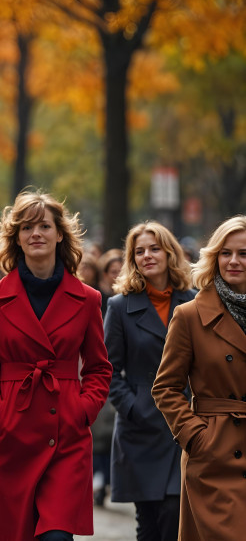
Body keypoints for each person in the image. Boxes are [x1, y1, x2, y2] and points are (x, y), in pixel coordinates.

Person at [0, 190, 112, 541]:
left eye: (44, 226)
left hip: (65, 437)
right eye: (26, 228)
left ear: (59, 234)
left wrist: (82, 410)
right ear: (16, 238)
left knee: (57, 536)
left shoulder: (88, 299)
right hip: (11, 436)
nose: (36, 233)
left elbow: (98, 368)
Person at [153, 215, 246, 540]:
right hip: (215, 455)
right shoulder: (190, 315)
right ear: (214, 257)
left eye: (243, 253)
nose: (233, 261)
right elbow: (165, 387)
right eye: (225, 253)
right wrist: (195, 437)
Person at [104, 221, 195, 538]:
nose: (147, 256)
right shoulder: (119, 306)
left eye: (154, 249)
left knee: (174, 512)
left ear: (169, 253)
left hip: (183, 421)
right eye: (139, 251)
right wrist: (133, 406)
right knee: (149, 520)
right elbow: (108, 369)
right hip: (140, 429)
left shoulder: (194, 301)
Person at [98, 248, 124, 315]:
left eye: (121, 271)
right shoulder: (100, 300)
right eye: (114, 272)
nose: (118, 276)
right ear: (105, 275)